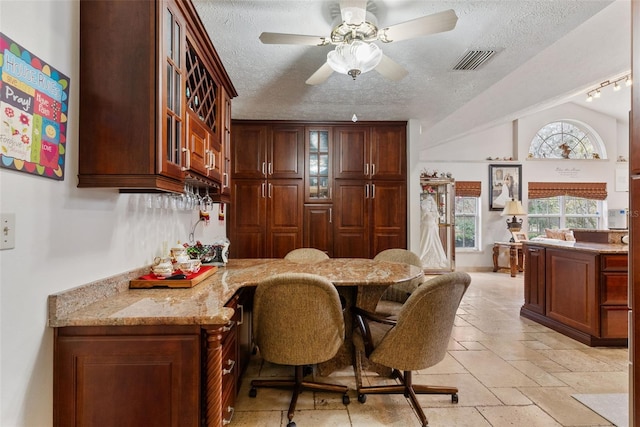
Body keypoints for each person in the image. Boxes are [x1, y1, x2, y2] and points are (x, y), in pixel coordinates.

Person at [419, 193, 449, 269]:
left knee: (426, 242)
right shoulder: (430, 205)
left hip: (428, 226)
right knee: (426, 241)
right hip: (431, 226)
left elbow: (422, 216)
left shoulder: (424, 204)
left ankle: (422, 257)